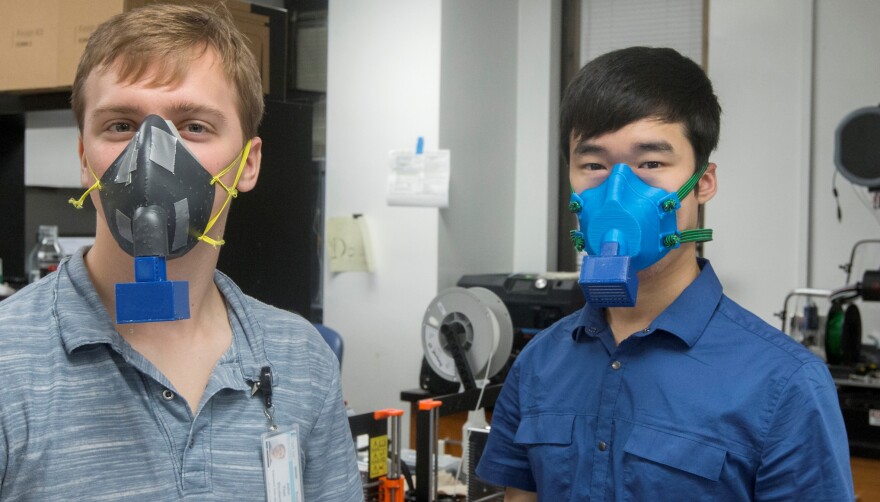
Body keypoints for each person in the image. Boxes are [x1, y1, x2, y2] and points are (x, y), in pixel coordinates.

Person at [0, 4, 362, 500]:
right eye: (121, 125)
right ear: (85, 160)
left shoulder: (301, 361)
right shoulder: (8, 363)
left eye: (194, 126)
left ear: (248, 164)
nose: (151, 157)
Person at [476, 47, 854, 501]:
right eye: (594, 165)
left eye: (651, 164)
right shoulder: (539, 362)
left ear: (704, 183)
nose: (617, 192)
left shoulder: (787, 385)